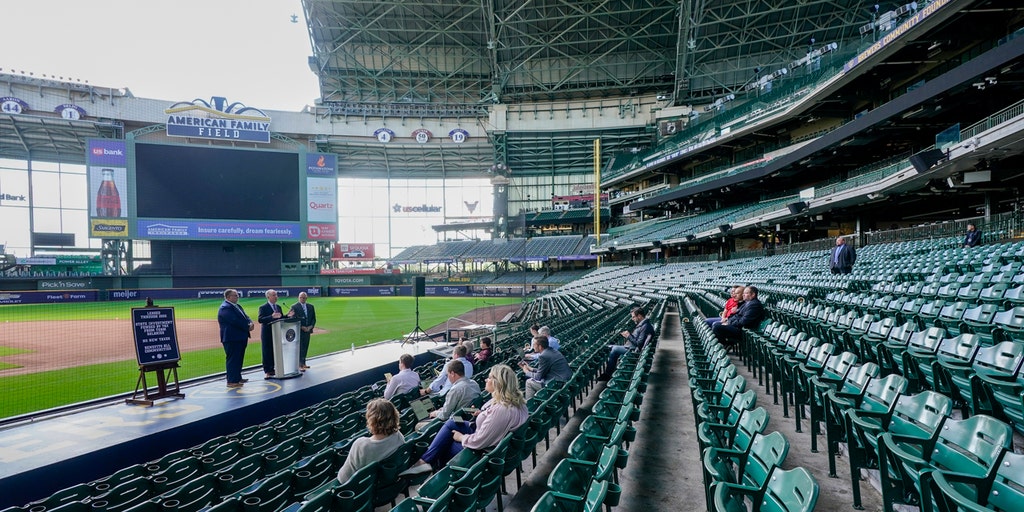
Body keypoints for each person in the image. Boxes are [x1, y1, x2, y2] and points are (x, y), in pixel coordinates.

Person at [401, 364, 529, 474]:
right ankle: (424, 461)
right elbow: (494, 421)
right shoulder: (515, 402)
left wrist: (461, 437)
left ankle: (434, 473)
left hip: (485, 450)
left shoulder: (502, 409)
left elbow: (480, 441)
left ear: (498, 383)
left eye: (490, 378)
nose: (486, 379)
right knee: (451, 422)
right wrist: (482, 414)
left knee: (445, 445)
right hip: (488, 438)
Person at [336, 398, 404, 483]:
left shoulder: (361, 444)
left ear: (371, 420)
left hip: (361, 488)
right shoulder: (398, 436)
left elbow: (344, 478)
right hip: (383, 483)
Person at [601, 307, 655, 381]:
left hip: (634, 351)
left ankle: (607, 375)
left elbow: (639, 344)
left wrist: (628, 336)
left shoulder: (645, 326)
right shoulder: (644, 324)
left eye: (633, 317)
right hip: (631, 347)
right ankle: (608, 372)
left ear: (639, 316)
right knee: (608, 347)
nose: (632, 319)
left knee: (614, 349)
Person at [423, 360, 480, 424]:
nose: (448, 377)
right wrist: (441, 410)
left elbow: (444, 416)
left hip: (457, 421)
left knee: (418, 425)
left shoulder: (455, 389)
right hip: (468, 417)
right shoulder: (474, 383)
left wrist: (435, 413)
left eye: (448, 375)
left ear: (452, 374)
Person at [217, 289, 254, 388]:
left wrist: (250, 322)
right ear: (228, 297)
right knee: (233, 359)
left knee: (239, 358)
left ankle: (237, 377)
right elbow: (234, 321)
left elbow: (245, 316)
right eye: (235, 295)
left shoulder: (237, 306)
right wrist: (247, 326)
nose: (237, 297)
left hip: (240, 337)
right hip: (232, 338)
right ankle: (232, 381)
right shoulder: (225, 308)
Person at [518, 335, 572, 399]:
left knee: (529, 382)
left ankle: (529, 407)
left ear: (540, 347)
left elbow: (538, 377)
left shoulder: (543, 356)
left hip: (558, 384)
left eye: (534, 344)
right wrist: (531, 369)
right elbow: (544, 370)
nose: (533, 347)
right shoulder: (552, 351)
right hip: (564, 380)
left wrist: (526, 371)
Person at [257, 289, 294, 379]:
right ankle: (268, 371)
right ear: (268, 297)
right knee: (267, 352)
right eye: (274, 295)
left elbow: (280, 318)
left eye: (276, 295)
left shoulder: (278, 307)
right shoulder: (263, 307)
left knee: (276, 351)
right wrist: (271, 316)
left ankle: (276, 368)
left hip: (278, 332)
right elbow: (260, 319)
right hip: (267, 333)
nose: (276, 296)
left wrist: (287, 316)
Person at [289, 292, 317, 370]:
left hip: (308, 331)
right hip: (299, 331)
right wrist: (301, 327)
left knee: (305, 347)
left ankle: (303, 363)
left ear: (306, 298)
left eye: (304, 298)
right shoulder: (294, 307)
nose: (302, 299)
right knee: (300, 347)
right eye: (301, 297)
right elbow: (292, 319)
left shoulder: (311, 307)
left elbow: (313, 319)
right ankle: (299, 365)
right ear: (298, 298)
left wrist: (310, 327)